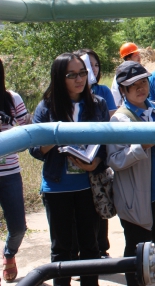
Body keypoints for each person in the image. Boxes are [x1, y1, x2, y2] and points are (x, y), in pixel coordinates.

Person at [29, 53, 110, 286]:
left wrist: (96, 162)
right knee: (61, 248)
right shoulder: (47, 107)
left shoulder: (98, 104)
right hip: (57, 187)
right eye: (72, 75)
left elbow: (107, 143)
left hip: (88, 185)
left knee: (90, 246)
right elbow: (34, 149)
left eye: (83, 73)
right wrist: (56, 136)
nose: (79, 79)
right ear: (58, 77)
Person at [108, 62, 155, 286]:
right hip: (135, 200)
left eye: (143, 82)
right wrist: (141, 147)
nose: (140, 88)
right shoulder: (119, 120)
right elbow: (114, 160)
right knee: (138, 252)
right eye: (133, 85)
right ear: (123, 90)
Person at [75, 48, 117, 259]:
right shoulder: (62, 99)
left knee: (99, 208)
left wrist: (99, 159)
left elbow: (109, 126)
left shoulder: (102, 94)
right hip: (73, 169)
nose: (93, 69)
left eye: (95, 65)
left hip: (97, 164)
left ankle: (101, 249)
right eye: (87, 66)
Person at [0, 59, 28, 282]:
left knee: (18, 227)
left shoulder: (12, 98)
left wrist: (11, 136)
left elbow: (28, 132)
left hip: (9, 173)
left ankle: (9, 253)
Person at [111, 42, 142, 107]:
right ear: (128, 59)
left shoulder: (142, 71)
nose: (139, 57)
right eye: (135, 55)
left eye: (138, 54)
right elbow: (116, 100)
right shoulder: (120, 76)